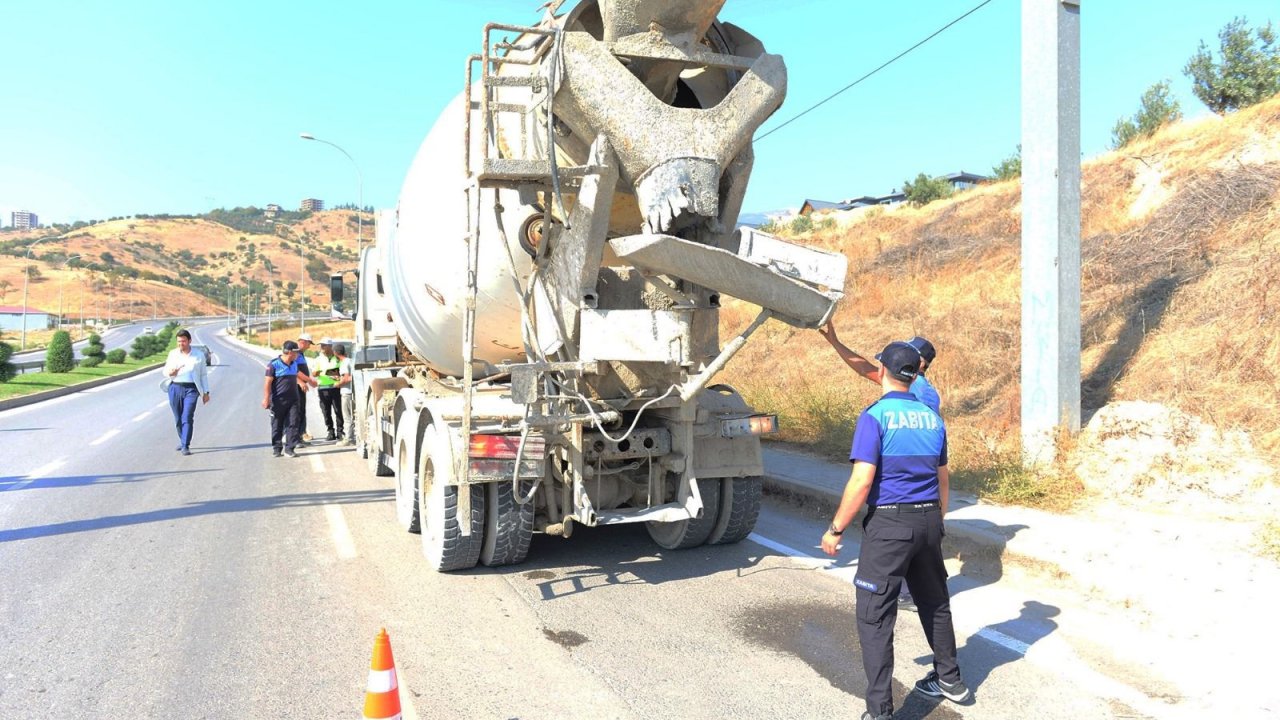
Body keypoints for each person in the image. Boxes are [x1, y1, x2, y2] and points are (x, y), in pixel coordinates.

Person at [820, 341, 969, 720]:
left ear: (883, 370)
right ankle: (951, 680)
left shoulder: (875, 416)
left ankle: (880, 711)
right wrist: (938, 521)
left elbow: (862, 481)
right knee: (934, 601)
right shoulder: (933, 418)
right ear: (915, 373)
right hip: (929, 521)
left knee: (874, 616)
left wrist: (836, 529)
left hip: (891, 524)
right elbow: (943, 478)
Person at [820, 322, 941, 611]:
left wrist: (835, 341)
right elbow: (865, 368)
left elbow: (865, 368)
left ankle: (900, 593)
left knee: (895, 533)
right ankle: (912, 591)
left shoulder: (915, 390)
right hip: (924, 476)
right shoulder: (928, 391)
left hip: (901, 478)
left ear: (919, 363)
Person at [162, 329, 210, 456]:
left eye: (183, 341)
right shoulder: (173, 354)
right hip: (175, 387)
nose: (181, 344)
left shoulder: (198, 355)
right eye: (179, 341)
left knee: (187, 416)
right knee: (178, 418)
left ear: (189, 341)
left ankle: (185, 445)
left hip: (192, 389)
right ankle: (182, 439)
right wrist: (170, 373)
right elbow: (165, 371)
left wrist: (206, 392)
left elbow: (203, 375)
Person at [262, 340, 311, 458]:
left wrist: (306, 382)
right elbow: (268, 383)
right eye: (296, 352)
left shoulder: (294, 364)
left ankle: (289, 448)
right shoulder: (273, 365)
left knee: (293, 423)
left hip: (293, 400)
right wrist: (266, 399)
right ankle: (277, 448)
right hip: (278, 400)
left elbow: (295, 376)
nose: (298, 355)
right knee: (277, 424)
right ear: (289, 352)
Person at [314, 338, 344, 441]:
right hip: (322, 389)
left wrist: (329, 372)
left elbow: (341, 372)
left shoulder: (337, 358)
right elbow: (314, 373)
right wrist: (325, 371)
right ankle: (330, 432)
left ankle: (340, 432)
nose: (321, 347)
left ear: (330, 346)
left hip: (335, 388)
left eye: (324, 345)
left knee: (338, 411)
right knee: (326, 412)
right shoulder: (318, 359)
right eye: (321, 345)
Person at [294, 333, 318, 443]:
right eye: (309, 344)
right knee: (298, 411)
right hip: (297, 387)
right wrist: (305, 381)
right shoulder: (296, 354)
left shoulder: (301, 354)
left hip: (302, 386)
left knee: (302, 409)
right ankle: (298, 435)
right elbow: (293, 370)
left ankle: (301, 434)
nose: (309, 347)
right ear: (303, 342)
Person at [334, 342, 355, 445]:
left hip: (346, 393)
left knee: (347, 417)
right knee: (352, 415)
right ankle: (352, 437)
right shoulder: (350, 360)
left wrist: (337, 384)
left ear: (335, 353)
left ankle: (349, 439)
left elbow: (346, 378)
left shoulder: (343, 363)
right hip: (352, 392)